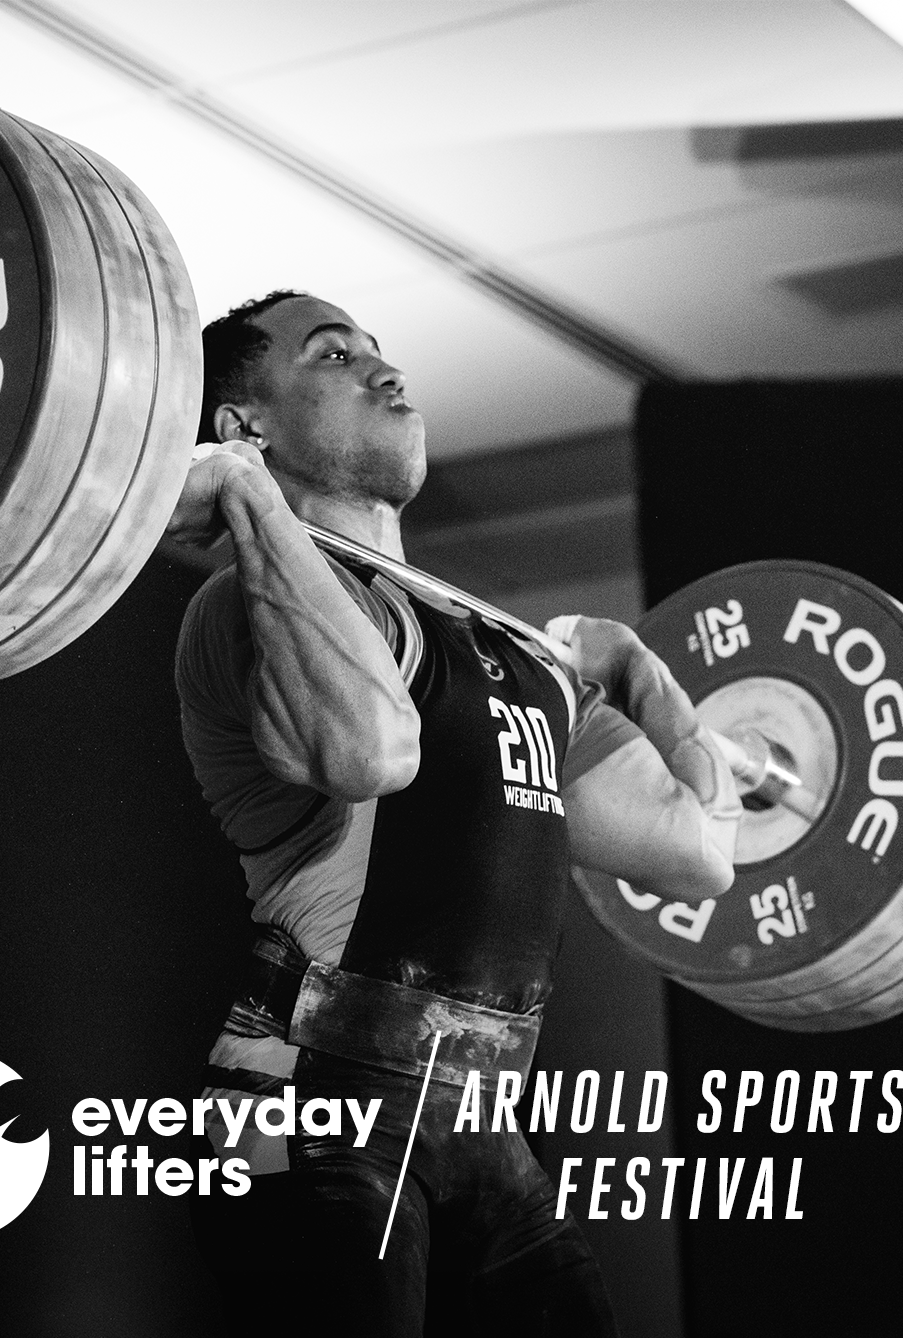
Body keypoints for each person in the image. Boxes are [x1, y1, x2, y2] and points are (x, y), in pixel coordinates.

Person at [167, 289, 742, 1335]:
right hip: (304, 1106)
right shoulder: (248, 605)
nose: (384, 372)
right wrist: (252, 508)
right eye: (333, 356)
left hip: (479, 1127)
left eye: (380, 351)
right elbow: (364, 750)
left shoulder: (511, 658)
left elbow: (700, 854)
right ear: (243, 427)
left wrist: (643, 680)